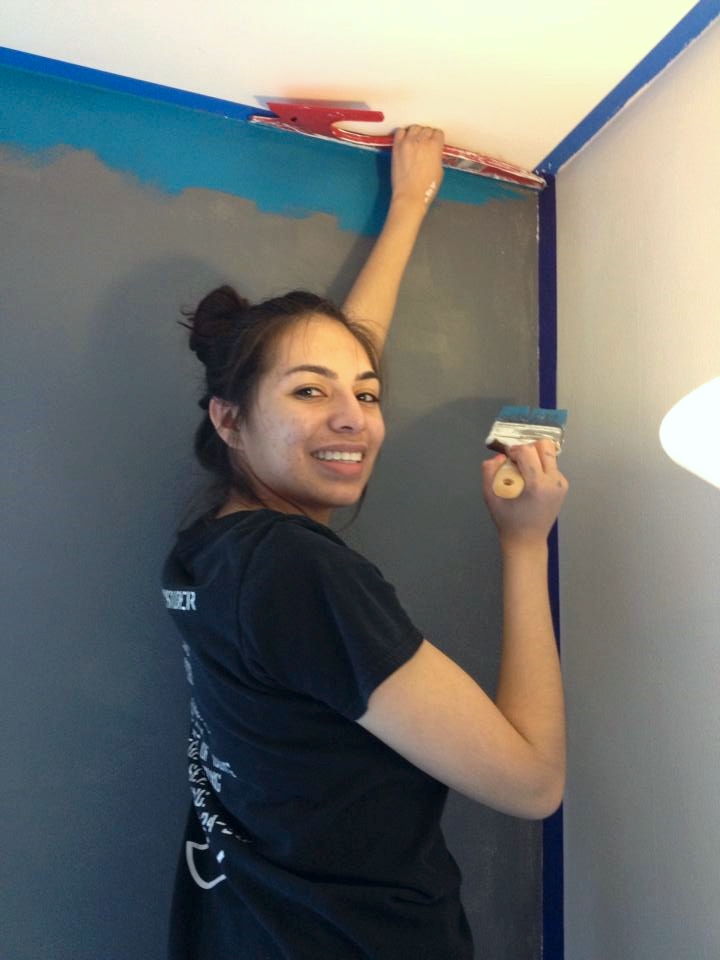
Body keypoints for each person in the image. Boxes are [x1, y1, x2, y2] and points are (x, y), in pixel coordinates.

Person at [162, 126, 567, 960]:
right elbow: (531, 783)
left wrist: (410, 204)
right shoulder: (297, 570)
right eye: (311, 393)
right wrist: (525, 548)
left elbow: (335, 359)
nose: (354, 417)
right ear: (229, 420)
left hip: (241, 928)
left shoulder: (207, 551)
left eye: (369, 393)